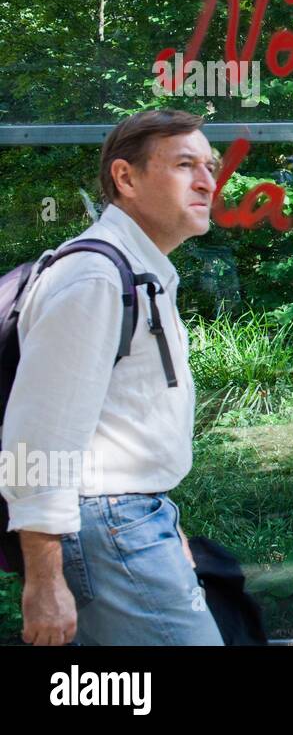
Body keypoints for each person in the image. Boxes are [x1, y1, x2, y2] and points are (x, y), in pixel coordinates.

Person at [1, 109, 225, 645]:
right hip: (106, 527)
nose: (207, 181)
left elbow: (123, 426)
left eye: (210, 166)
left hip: (130, 520)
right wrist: (44, 579)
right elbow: (37, 438)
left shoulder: (136, 270)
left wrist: (165, 531)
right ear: (126, 178)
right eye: (185, 165)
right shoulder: (97, 278)